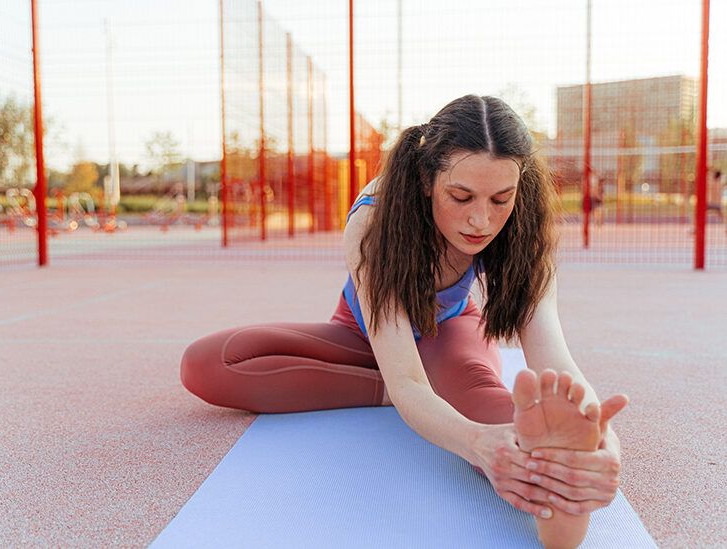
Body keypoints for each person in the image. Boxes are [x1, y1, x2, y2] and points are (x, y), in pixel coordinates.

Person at [180, 95, 629, 549]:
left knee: (506, 406)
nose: (481, 219)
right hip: (365, 332)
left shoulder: (528, 227)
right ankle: (395, 388)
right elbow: (408, 381)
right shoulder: (374, 218)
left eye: (501, 199)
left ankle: (555, 475)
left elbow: (555, 360)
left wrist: (599, 444)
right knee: (208, 363)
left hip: (449, 333)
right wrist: (469, 438)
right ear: (426, 179)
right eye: (461, 196)